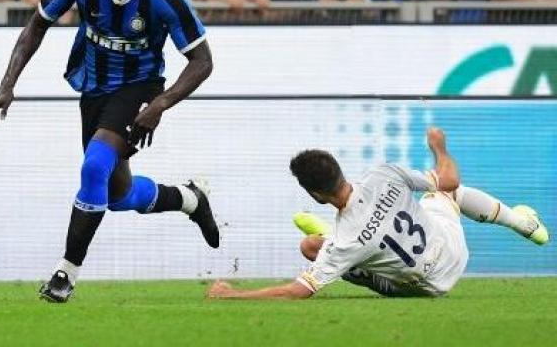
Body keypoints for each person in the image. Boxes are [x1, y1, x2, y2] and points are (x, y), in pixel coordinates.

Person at [0, 0, 219, 302]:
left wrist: (159, 104)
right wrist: (7, 84)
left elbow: (202, 61)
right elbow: (35, 26)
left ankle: (65, 274)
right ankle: (189, 199)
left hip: (140, 89)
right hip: (94, 90)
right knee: (116, 194)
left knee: (93, 167)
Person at [207, 127, 549, 300]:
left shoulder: (345, 241)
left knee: (318, 249)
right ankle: (523, 223)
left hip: (426, 288)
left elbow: (299, 291)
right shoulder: (384, 174)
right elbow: (449, 179)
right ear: (340, 170)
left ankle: (331, 239)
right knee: (448, 192)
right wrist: (439, 147)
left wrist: (233, 295)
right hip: (452, 253)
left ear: (315, 194)